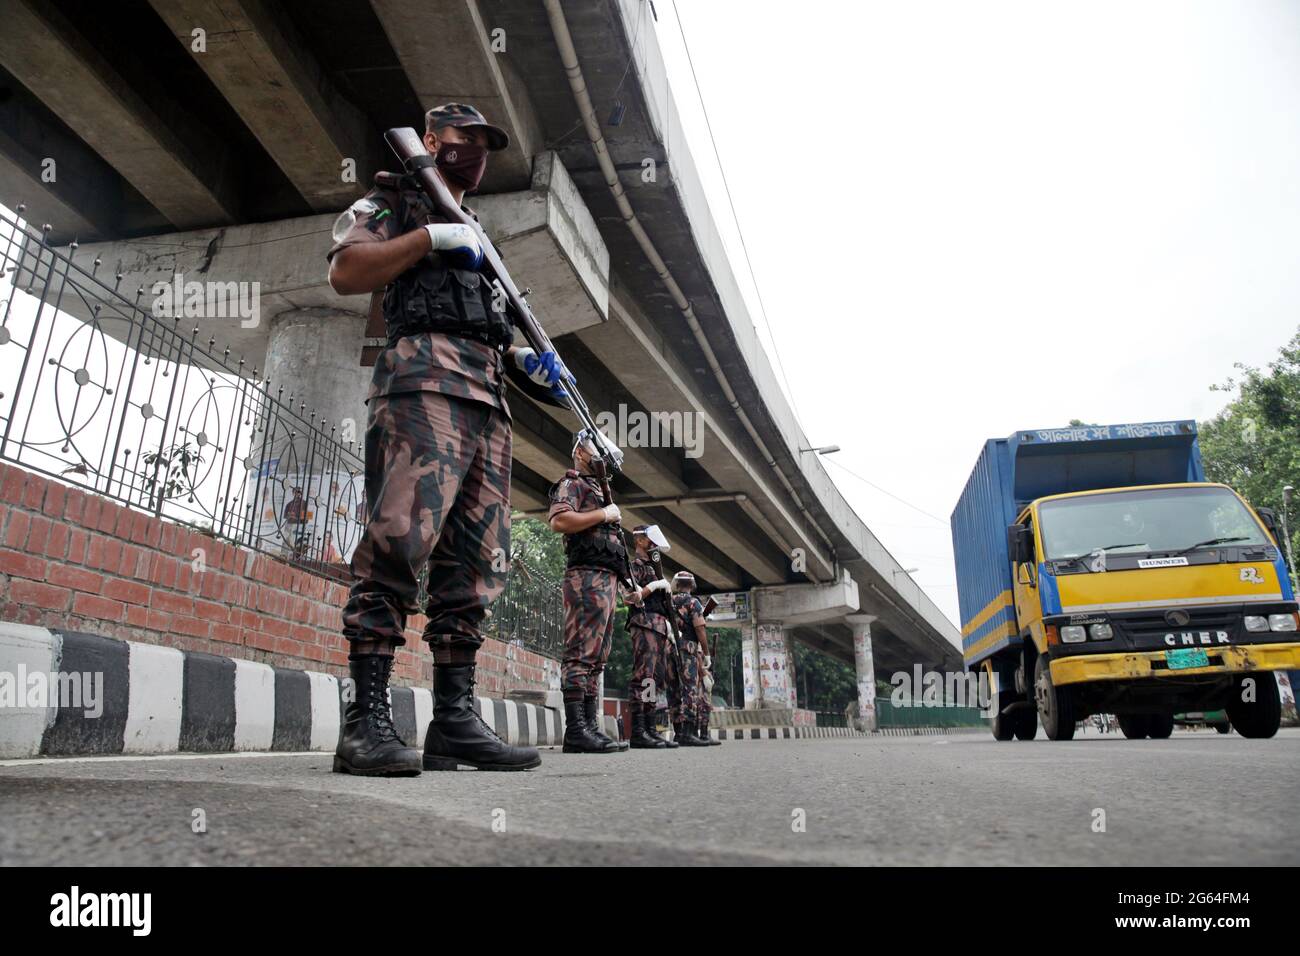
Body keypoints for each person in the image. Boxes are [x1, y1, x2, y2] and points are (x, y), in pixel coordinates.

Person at [326, 103, 571, 775]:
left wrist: (529, 365)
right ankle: (365, 724)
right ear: (432, 141)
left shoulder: (481, 236)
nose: (475, 153)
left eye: (485, 144)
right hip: (423, 386)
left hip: (488, 403)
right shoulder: (392, 202)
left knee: (475, 565)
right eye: (463, 140)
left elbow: (490, 326)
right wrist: (429, 238)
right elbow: (346, 272)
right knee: (397, 541)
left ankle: (454, 721)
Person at [547, 431, 629, 754]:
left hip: (606, 580)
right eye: (596, 448)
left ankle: (591, 726)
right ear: (580, 452)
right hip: (586, 580)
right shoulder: (573, 484)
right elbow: (559, 520)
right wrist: (603, 514)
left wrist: (628, 585)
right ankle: (576, 729)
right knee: (580, 653)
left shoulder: (600, 490)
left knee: (597, 657)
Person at [622, 526, 681, 749]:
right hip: (644, 623)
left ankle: (649, 728)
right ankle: (638, 731)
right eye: (650, 541)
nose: (655, 546)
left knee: (654, 680)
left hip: (658, 628)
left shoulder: (654, 569)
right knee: (644, 676)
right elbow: (629, 597)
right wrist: (653, 586)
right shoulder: (634, 566)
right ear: (639, 540)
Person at [670, 571, 714, 747]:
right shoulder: (693, 602)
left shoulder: (669, 601)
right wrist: (706, 653)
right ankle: (688, 732)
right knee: (689, 689)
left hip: (669, 647)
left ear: (677, 584)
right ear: (692, 585)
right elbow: (700, 629)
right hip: (687, 648)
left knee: (673, 688)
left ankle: (678, 732)